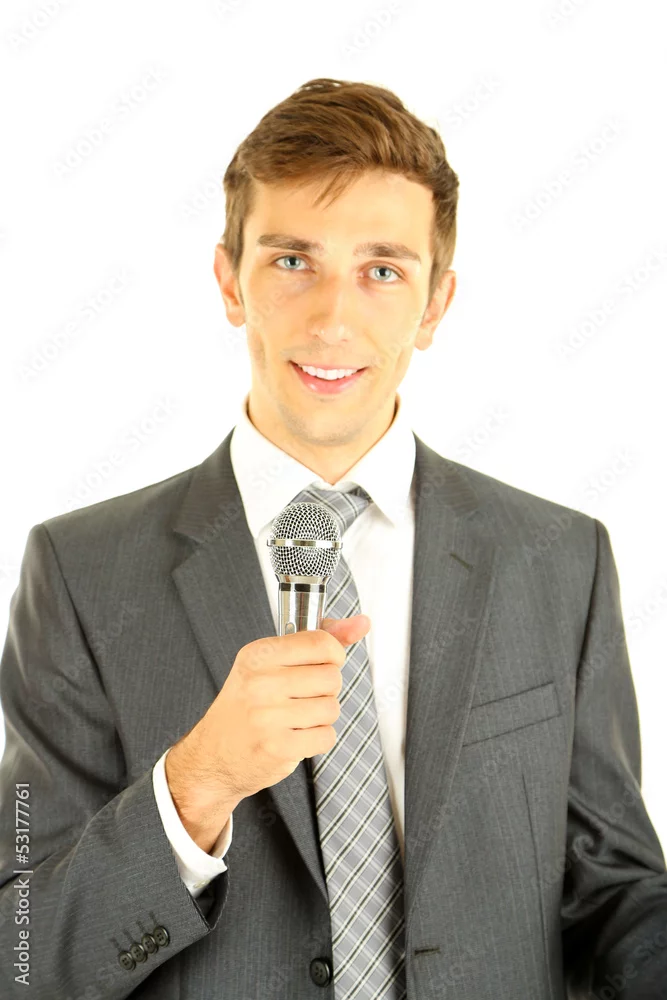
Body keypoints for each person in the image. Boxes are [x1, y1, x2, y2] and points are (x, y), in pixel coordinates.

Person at [0, 76, 665, 1000]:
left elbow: (614, 896)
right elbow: (21, 956)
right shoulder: (80, 573)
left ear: (434, 305)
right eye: (292, 261)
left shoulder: (559, 560)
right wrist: (195, 786)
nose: (333, 319)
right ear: (229, 281)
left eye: (381, 270)